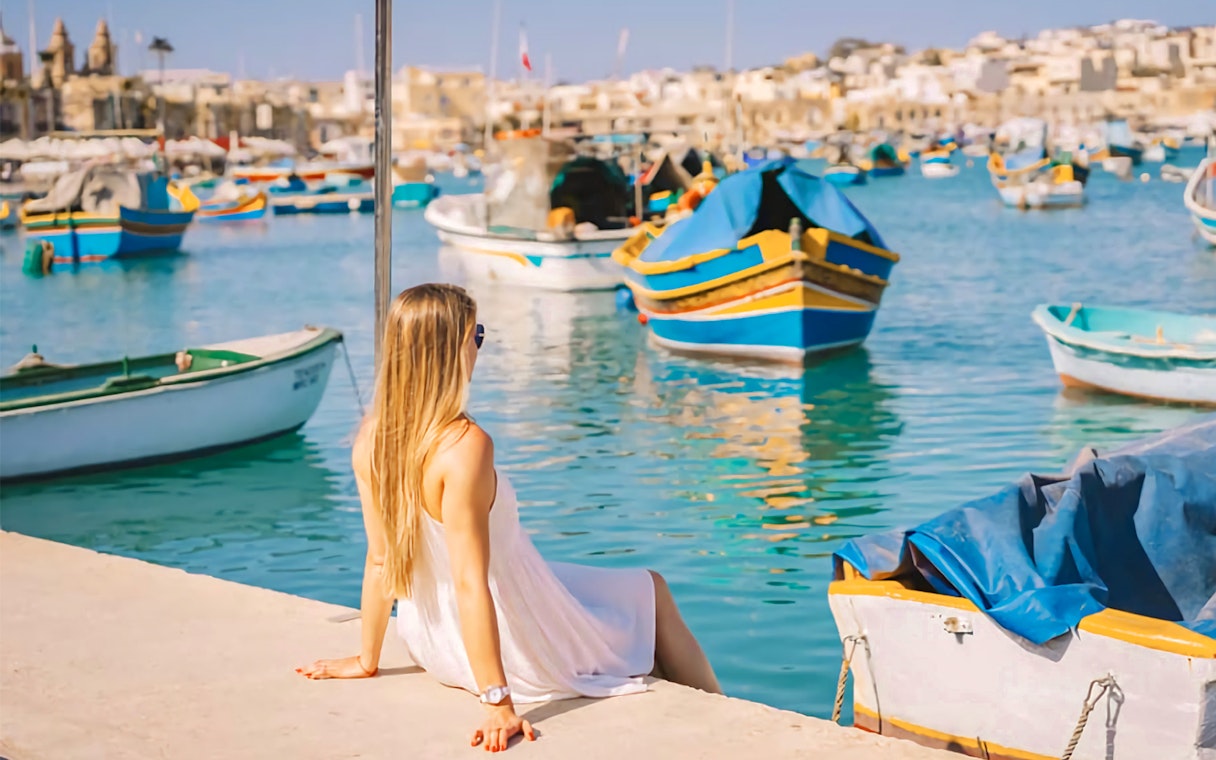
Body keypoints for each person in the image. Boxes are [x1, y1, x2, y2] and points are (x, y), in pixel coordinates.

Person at [298, 284, 720, 752]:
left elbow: (380, 560)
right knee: (652, 590)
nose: (479, 347)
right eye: (475, 336)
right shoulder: (463, 447)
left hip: (431, 636)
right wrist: (496, 700)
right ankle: (724, 718)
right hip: (511, 642)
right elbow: (469, 582)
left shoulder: (371, 439)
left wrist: (367, 657)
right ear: (451, 352)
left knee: (624, 598)